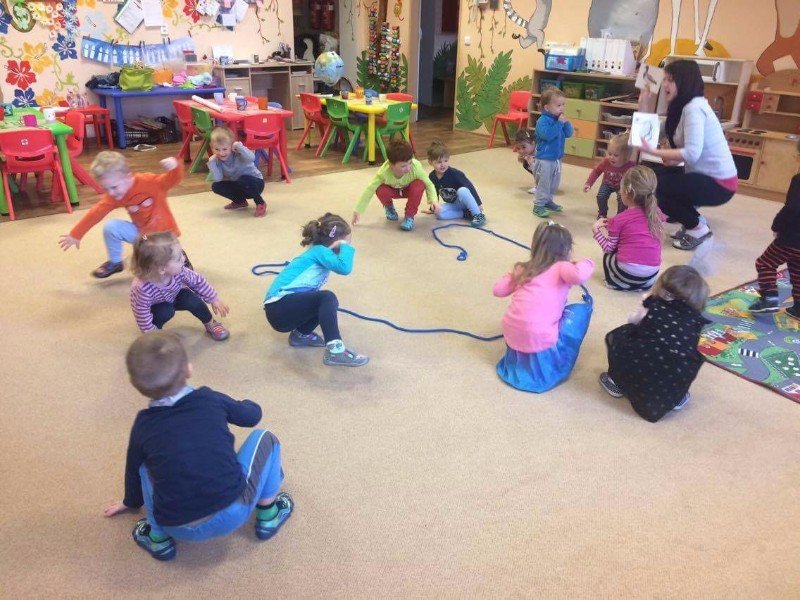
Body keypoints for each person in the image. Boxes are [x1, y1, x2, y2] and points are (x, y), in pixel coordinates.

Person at [104, 331, 293, 561]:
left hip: (175, 524)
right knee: (266, 438)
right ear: (188, 370)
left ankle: (158, 538)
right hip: (234, 512)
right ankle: (268, 515)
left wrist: (130, 502)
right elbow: (252, 416)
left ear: (136, 385)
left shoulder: (142, 426)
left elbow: (132, 470)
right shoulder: (209, 398)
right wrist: (245, 404)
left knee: (144, 465)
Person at [639, 59, 737, 251]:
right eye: (664, 79)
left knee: (656, 187)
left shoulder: (694, 108)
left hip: (720, 184)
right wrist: (644, 102)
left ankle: (697, 228)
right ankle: (694, 221)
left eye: (670, 80)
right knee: (650, 178)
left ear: (684, 82)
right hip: (701, 175)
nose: (664, 84)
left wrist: (653, 151)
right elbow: (649, 132)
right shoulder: (681, 107)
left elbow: (692, 153)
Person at [599, 265, 710, 422]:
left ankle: (617, 383)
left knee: (621, 335)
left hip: (643, 364)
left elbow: (633, 321)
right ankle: (677, 397)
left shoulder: (651, 304)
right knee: (681, 362)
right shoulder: (695, 319)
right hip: (674, 375)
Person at [493, 221, 594, 393]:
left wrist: (513, 276)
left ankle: (520, 359)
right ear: (566, 249)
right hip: (539, 337)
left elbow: (498, 290)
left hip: (511, 332)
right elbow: (579, 276)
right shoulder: (563, 267)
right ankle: (545, 361)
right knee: (580, 311)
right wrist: (586, 262)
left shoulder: (523, 268)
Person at [264, 213, 368, 367]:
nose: (347, 246)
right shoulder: (319, 251)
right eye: (346, 241)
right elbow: (345, 268)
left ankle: (300, 335)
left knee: (321, 303)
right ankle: (335, 351)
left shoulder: (318, 251)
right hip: (278, 306)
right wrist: (345, 246)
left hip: (278, 309)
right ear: (336, 242)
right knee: (327, 298)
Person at [58, 152, 184, 278]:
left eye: (114, 187)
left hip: (164, 236)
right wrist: (76, 234)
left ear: (128, 176)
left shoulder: (149, 182)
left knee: (169, 267)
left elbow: (172, 180)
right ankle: (116, 263)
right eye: (106, 189)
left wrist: (175, 166)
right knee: (111, 227)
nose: (111, 193)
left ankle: (176, 256)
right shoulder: (115, 195)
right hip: (143, 236)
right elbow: (96, 212)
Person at [130, 232, 230, 341]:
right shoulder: (142, 288)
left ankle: (211, 323)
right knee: (165, 311)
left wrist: (213, 299)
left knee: (193, 300)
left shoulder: (181, 271)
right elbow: (142, 314)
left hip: (176, 294)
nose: (184, 258)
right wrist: (149, 333)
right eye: (178, 258)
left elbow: (198, 281)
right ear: (162, 269)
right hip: (157, 306)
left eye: (181, 253)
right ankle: (156, 336)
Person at [592, 165, 664, 291]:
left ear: (625, 192)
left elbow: (608, 248)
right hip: (651, 274)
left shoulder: (619, 219)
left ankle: (615, 282)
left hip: (627, 272)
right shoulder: (657, 213)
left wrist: (596, 230)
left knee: (608, 255)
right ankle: (640, 284)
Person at [749, 163, 800, 320]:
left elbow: (791, 208)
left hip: (791, 238)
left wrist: (777, 226)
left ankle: (769, 299)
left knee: (765, 263)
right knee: (797, 269)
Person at [352, 139, 437, 232]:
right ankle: (389, 207)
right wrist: (358, 209)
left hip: (409, 190)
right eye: (403, 166)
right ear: (391, 165)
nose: (408, 168)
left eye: (410, 163)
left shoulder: (416, 168)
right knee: (379, 188)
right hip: (393, 190)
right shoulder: (383, 172)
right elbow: (370, 189)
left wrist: (433, 200)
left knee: (419, 185)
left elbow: (429, 184)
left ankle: (409, 216)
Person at [207, 126, 267, 218]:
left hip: (256, 183)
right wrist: (212, 163)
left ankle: (260, 202)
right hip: (240, 185)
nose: (221, 153)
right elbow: (218, 178)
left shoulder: (238, 152)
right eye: (217, 149)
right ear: (212, 148)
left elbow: (252, 158)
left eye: (225, 149)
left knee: (243, 179)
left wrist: (239, 146)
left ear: (231, 146)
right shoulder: (216, 160)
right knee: (216, 186)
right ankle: (240, 201)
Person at [533, 88, 574, 218]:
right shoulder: (542, 121)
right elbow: (548, 135)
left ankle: (547, 201)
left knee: (553, 183)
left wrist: (566, 122)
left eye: (563, 105)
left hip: (556, 159)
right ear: (547, 107)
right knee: (544, 183)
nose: (562, 108)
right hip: (544, 159)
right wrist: (559, 123)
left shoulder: (559, 120)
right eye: (558, 105)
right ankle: (538, 205)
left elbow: (569, 133)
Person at [426, 140, 487, 227]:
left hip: (465, 200)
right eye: (439, 162)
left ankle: (478, 215)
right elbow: (433, 192)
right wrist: (433, 208)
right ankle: (466, 214)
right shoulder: (432, 176)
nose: (443, 164)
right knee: (439, 214)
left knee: (462, 190)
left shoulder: (455, 173)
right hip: (454, 204)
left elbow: (470, 186)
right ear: (430, 162)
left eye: (445, 161)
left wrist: (478, 204)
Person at [583, 133, 636, 218]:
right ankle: (602, 213)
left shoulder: (630, 165)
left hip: (622, 186)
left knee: (623, 198)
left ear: (625, 156)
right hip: (607, 183)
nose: (611, 157)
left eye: (616, 155)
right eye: (609, 153)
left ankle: (620, 216)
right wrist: (589, 183)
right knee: (601, 196)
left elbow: (636, 178)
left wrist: (630, 189)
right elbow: (596, 171)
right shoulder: (606, 162)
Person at [514, 128, 538, 195]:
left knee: (531, 165)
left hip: (550, 171)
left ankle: (540, 186)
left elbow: (540, 169)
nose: (521, 151)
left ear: (533, 143)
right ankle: (540, 184)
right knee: (526, 164)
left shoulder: (539, 151)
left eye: (524, 147)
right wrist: (524, 158)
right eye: (518, 148)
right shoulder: (530, 150)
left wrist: (531, 163)